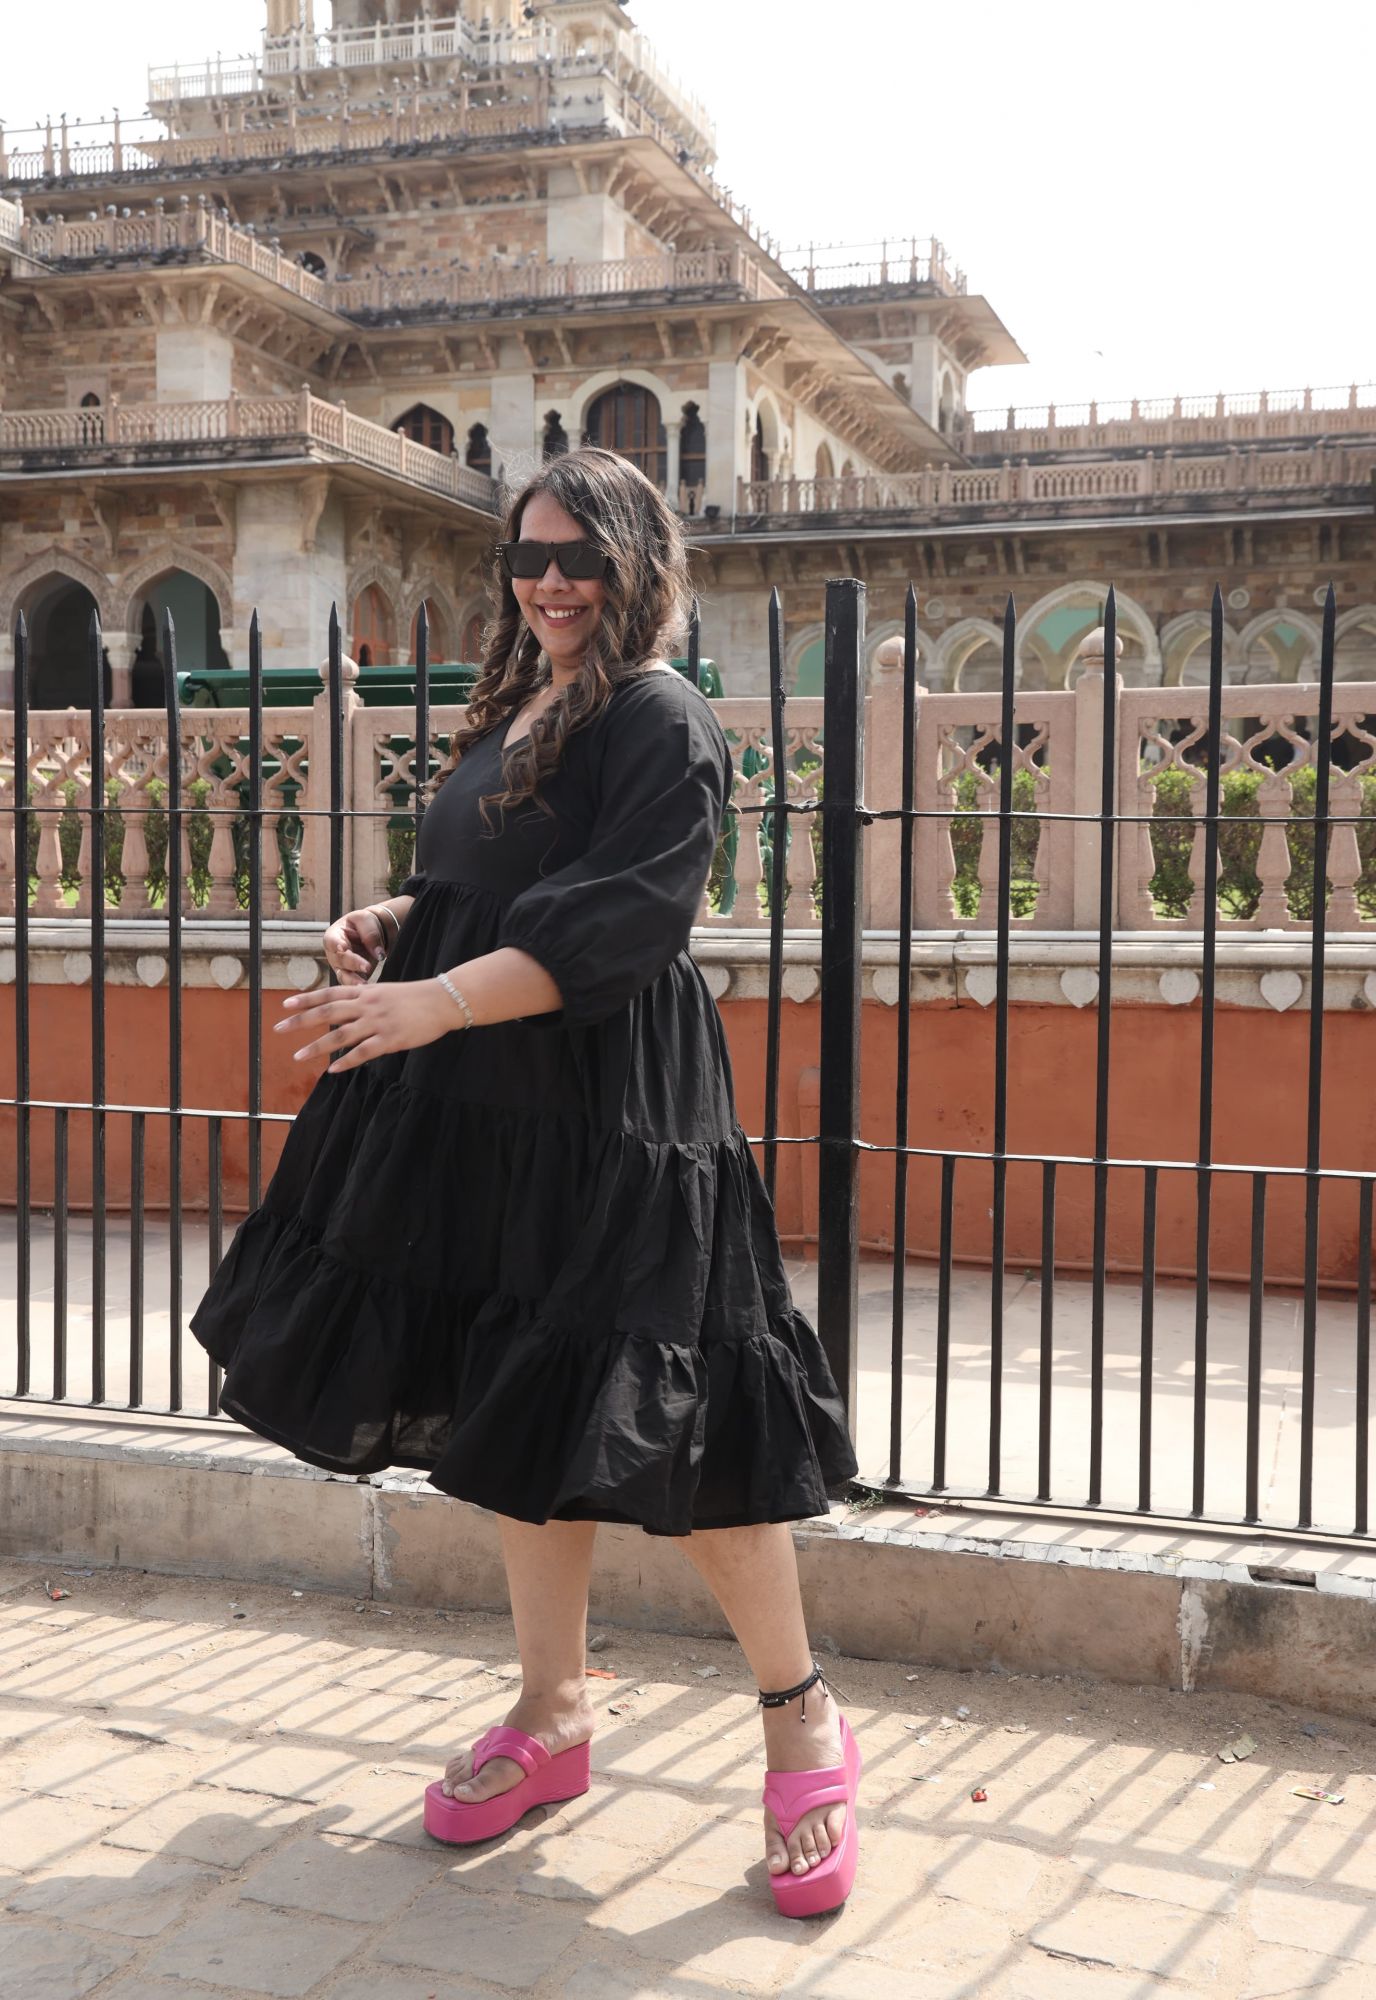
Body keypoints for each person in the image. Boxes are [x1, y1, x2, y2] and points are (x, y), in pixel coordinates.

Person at [190, 446, 862, 1916]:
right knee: (516, 1397)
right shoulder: (520, 705)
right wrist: (397, 924)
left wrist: (433, 1003)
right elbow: (487, 884)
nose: (551, 581)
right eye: (531, 555)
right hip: (490, 1107)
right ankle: (552, 1716)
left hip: (615, 1114)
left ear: (639, 565)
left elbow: (626, 918)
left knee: (697, 1418)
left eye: (582, 557)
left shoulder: (660, 717)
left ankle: (801, 1716)